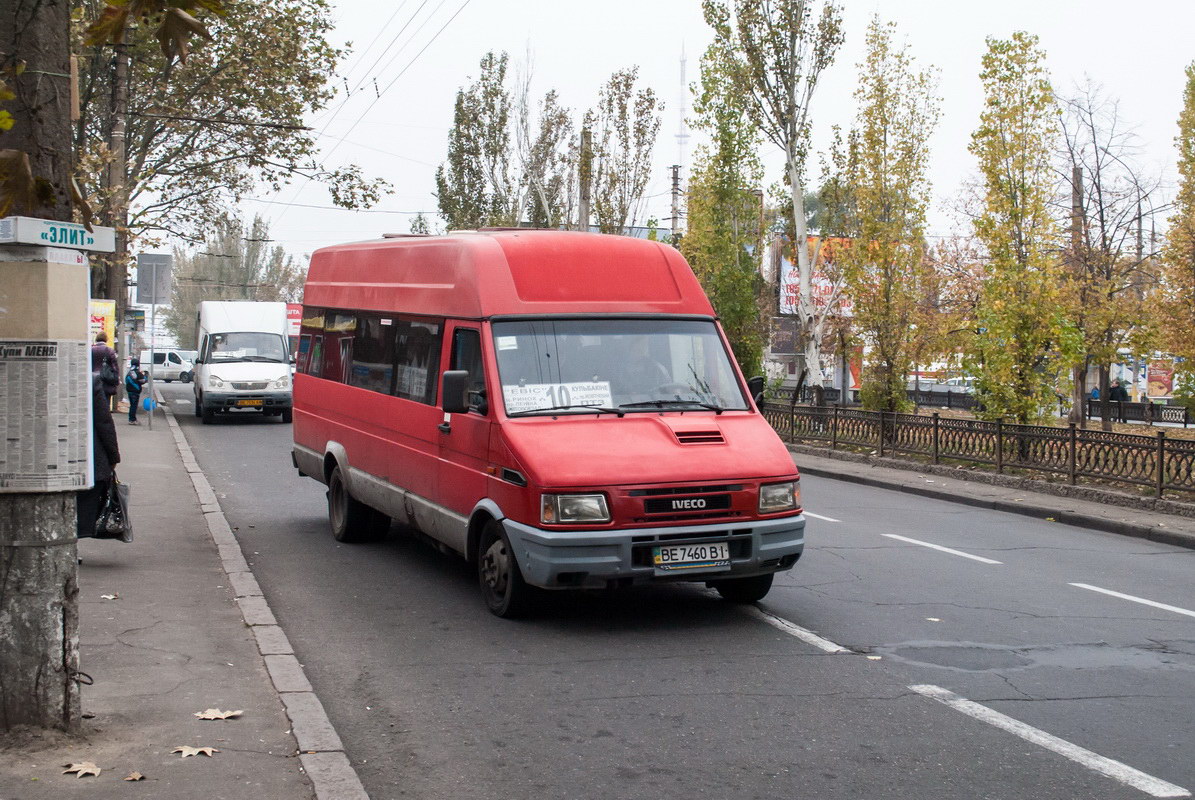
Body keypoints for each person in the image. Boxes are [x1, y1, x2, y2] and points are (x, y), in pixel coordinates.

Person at [77, 372, 121, 540]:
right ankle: (73, 543)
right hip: (87, 460)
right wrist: (113, 456)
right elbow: (103, 421)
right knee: (82, 505)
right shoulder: (90, 379)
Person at [91, 331, 119, 402]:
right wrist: (116, 380)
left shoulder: (90, 350)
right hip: (106, 380)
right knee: (105, 403)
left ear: (96, 338)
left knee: (94, 403)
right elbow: (114, 367)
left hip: (92, 379)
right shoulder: (109, 351)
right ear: (106, 339)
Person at [125, 358, 148, 424]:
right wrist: (145, 375)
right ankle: (132, 420)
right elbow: (143, 380)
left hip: (129, 391)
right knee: (134, 406)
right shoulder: (137, 373)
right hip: (135, 391)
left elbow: (126, 381)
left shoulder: (129, 372)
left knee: (132, 405)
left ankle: (131, 419)